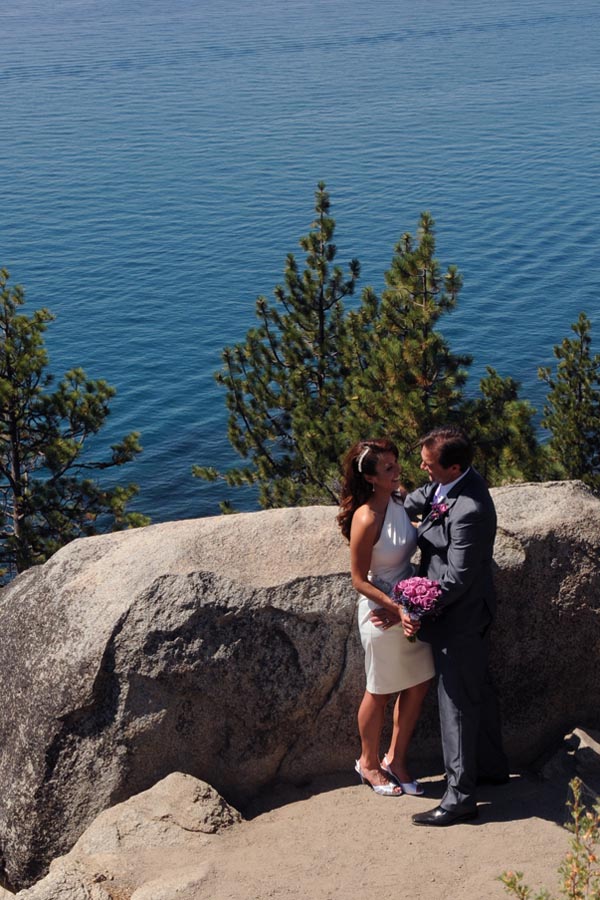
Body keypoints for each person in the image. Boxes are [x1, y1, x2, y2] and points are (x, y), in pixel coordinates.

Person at [400, 426, 509, 826]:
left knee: (457, 703)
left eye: (429, 466)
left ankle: (460, 798)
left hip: (460, 616)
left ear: (455, 467)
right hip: (461, 612)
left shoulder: (471, 510)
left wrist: (414, 606)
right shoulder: (448, 485)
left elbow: (457, 578)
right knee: (476, 687)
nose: (423, 471)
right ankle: (493, 768)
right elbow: (421, 499)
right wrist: (392, 502)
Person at [337, 438, 434, 797]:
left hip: (410, 606)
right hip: (382, 611)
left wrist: (412, 603)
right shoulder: (366, 517)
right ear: (371, 477)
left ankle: (397, 758)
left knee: (419, 683)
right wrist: (397, 608)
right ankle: (368, 763)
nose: (397, 472)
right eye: (388, 468)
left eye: (396, 464)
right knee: (378, 691)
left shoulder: (399, 498)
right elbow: (358, 580)